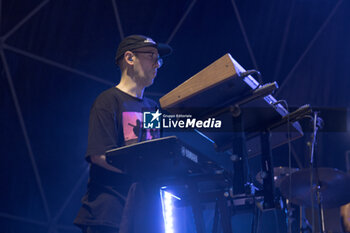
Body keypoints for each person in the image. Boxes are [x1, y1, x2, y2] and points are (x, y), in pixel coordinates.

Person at [74, 35, 172, 233]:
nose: (157, 64)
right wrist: (139, 171)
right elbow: (99, 155)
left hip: (145, 215)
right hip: (109, 214)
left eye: (159, 59)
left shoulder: (152, 108)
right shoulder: (108, 101)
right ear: (129, 58)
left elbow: (152, 149)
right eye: (151, 56)